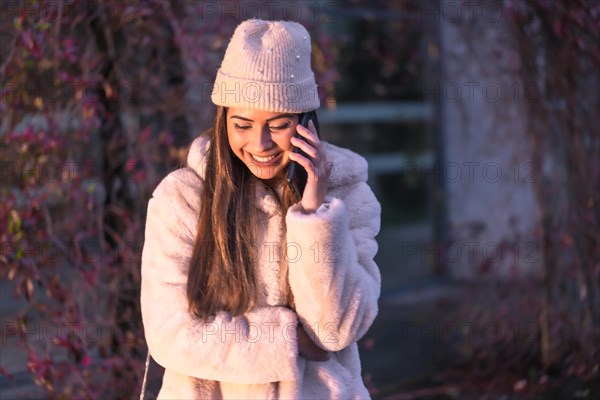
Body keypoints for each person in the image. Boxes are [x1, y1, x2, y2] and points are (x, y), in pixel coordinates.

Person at [141, 19, 381, 399]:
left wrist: (314, 212)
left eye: (279, 123)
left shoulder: (347, 198)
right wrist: (289, 341)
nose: (261, 142)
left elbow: (336, 329)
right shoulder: (182, 199)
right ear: (223, 122)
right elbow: (170, 332)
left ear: (305, 121)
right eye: (242, 124)